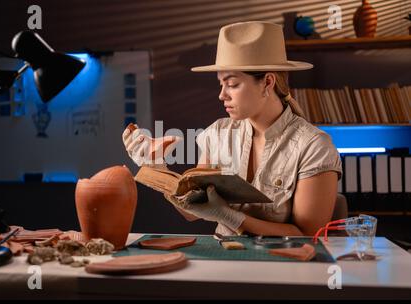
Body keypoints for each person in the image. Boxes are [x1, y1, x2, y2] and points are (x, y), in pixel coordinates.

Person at [122, 21, 342, 236]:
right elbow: (192, 212)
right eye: (221, 84)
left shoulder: (313, 146)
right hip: (226, 260)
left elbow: (308, 236)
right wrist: (156, 167)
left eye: (233, 84)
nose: (222, 95)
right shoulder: (217, 134)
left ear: (267, 83)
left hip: (285, 268)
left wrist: (230, 217)